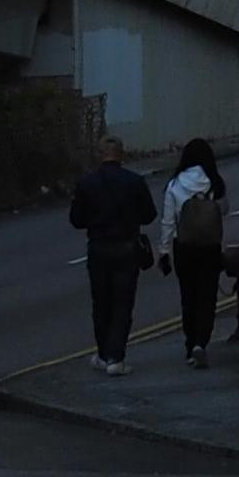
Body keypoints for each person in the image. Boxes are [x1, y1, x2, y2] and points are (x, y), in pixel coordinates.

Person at [67, 134, 158, 374]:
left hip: (98, 248)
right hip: (126, 247)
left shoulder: (86, 183)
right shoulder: (135, 181)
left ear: (100, 154)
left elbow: (76, 220)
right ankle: (116, 358)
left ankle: (103, 353)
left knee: (101, 303)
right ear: (121, 154)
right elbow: (149, 215)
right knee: (122, 303)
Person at [160, 137, 230, 361]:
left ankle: (190, 345)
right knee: (207, 296)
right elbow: (225, 210)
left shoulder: (174, 184)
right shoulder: (215, 183)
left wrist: (164, 252)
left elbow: (168, 222)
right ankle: (202, 341)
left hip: (184, 246)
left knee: (188, 296)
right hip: (210, 246)